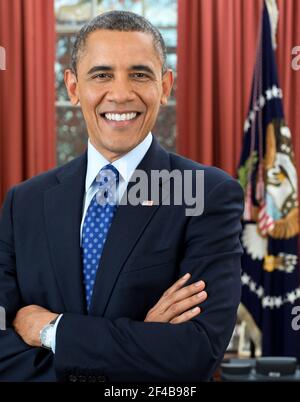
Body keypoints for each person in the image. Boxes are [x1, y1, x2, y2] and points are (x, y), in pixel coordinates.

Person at [0, 11, 243, 382]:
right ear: (72, 86)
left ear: (165, 86)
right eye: (101, 75)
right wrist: (141, 341)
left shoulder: (206, 194)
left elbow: (195, 352)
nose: (120, 93)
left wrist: (53, 331)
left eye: (140, 74)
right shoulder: (25, 203)